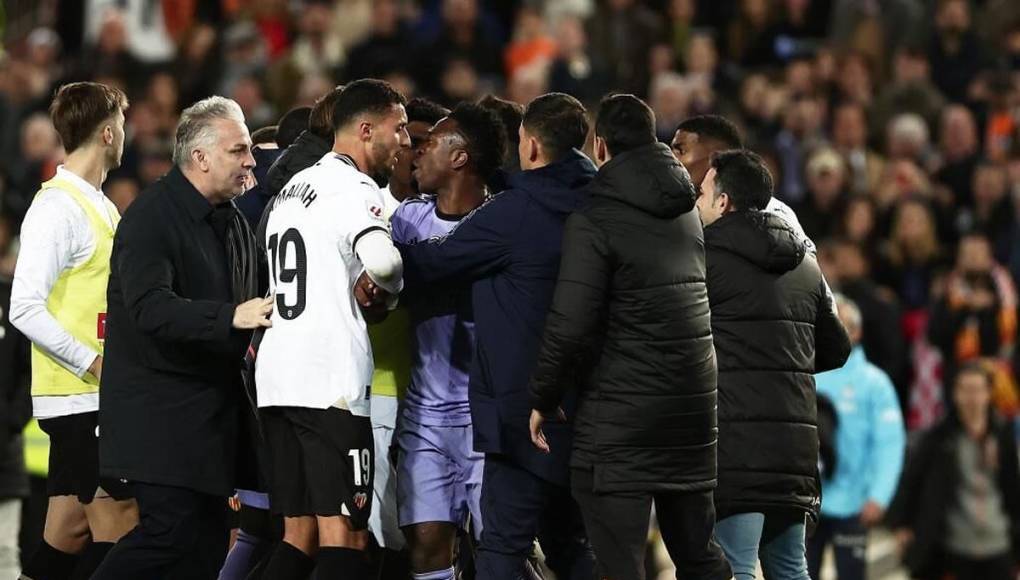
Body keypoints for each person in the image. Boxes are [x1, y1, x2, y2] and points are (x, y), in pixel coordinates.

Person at [528, 93, 731, 580]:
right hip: (692, 412)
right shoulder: (686, 211)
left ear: (600, 147)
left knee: (619, 566)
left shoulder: (595, 218)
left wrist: (543, 395)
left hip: (621, 421)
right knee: (699, 557)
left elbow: (571, 322)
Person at [397, 92, 597, 579]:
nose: (419, 149)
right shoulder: (594, 203)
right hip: (571, 406)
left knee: (503, 549)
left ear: (531, 148)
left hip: (512, 411)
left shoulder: (512, 213)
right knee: (564, 544)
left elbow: (434, 261)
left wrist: (373, 255)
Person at [93, 96, 270, 579]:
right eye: (239, 150)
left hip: (209, 423)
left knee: (206, 548)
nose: (250, 161)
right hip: (159, 420)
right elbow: (150, 308)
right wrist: (230, 318)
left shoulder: (233, 221)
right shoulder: (150, 218)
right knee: (168, 535)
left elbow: (265, 291)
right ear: (201, 157)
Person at [255, 78, 408, 580]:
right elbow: (383, 264)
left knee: (297, 537)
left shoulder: (292, 189)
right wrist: (390, 286)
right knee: (346, 536)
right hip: (330, 385)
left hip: (279, 380)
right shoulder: (353, 186)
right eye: (399, 128)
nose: (405, 141)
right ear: (366, 131)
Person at [696, 149, 851, 580]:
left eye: (703, 192)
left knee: (737, 567)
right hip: (796, 449)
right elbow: (837, 348)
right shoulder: (805, 264)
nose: (697, 201)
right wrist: (784, 358)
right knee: (790, 568)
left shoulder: (703, 260)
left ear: (723, 202)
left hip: (736, 446)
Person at [10, 82, 138, 580]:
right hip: (81, 398)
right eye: (122, 124)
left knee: (67, 530)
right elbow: (24, 306)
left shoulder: (99, 204)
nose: (125, 133)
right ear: (108, 132)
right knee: (124, 523)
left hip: (90, 398)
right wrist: (95, 362)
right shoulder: (56, 208)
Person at [391, 103, 506, 580]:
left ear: (460, 158)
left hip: (490, 418)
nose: (418, 152)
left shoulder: (505, 221)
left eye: (431, 143)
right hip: (426, 418)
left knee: (501, 550)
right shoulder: (407, 221)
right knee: (426, 546)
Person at [366, 97, 448, 578]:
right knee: (383, 531)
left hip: (436, 397)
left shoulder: (461, 215)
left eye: (425, 143)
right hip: (378, 387)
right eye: (408, 140)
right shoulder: (368, 209)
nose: (413, 151)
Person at [887, 363, 1020, 580]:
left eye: (977, 390)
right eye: (965, 389)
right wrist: (902, 524)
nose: (971, 398)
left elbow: (1013, 488)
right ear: (955, 393)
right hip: (954, 545)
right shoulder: (940, 437)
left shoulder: (1002, 435)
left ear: (988, 394)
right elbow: (913, 481)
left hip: (998, 544)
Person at [808, 295, 906, 580]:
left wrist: (879, 495)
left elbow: (890, 443)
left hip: (854, 502)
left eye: (843, 324)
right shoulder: (804, 374)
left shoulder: (875, 383)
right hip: (807, 501)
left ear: (858, 331)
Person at [671, 114, 815, 253]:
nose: (670, 159)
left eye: (680, 151)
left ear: (717, 157)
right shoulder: (681, 212)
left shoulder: (772, 215)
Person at [0, 212, 31, 580]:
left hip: (4, 455)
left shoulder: (10, 298)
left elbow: (29, 368)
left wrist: (10, 420)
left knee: (6, 552)